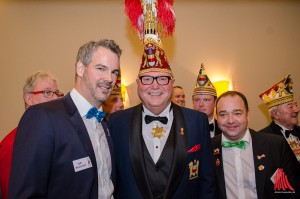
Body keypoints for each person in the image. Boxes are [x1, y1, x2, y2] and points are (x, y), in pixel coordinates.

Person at [109, 1, 217, 198]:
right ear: (138, 83)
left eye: (162, 78)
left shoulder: (197, 121)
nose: (155, 85)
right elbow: (110, 179)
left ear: (172, 82)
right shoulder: (116, 122)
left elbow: (207, 181)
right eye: (147, 78)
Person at [8, 39, 122, 199]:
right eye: (101, 68)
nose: (110, 79)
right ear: (81, 69)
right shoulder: (43, 117)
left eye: (114, 72)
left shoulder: (104, 124)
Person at [211, 91, 299, 199]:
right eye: (223, 114)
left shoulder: (275, 146)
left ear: (247, 115)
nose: (230, 120)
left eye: (237, 113)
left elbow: (289, 193)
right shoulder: (208, 148)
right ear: (217, 117)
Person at [0, 71, 63, 199]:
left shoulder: (61, 138)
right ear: (29, 99)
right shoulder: (11, 144)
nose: (56, 98)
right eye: (47, 92)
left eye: (57, 93)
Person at [258, 74, 300, 163]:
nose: (297, 109)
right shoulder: (262, 139)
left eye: (295, 105)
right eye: (290, 107)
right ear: (275, 114)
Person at [192, 64, 221, 138]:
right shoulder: (183, 129)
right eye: (197, 100)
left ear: (215, 102)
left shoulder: (225, 128)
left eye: (206, 100)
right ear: (192, 102)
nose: (201, 104)